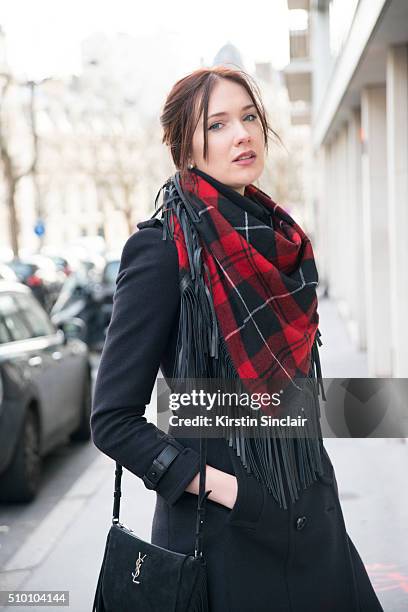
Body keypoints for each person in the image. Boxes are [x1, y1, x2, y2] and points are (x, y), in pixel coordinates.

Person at [90, 66, 383, 612]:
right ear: (186, 147)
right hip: (223, 542)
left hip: (314, 522)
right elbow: (112, 421)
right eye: (218, 124)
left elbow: (287, 395)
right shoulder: (161, 251)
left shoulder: (282, 241)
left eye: (249, 117)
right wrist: (229, 491)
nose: (243, 134)